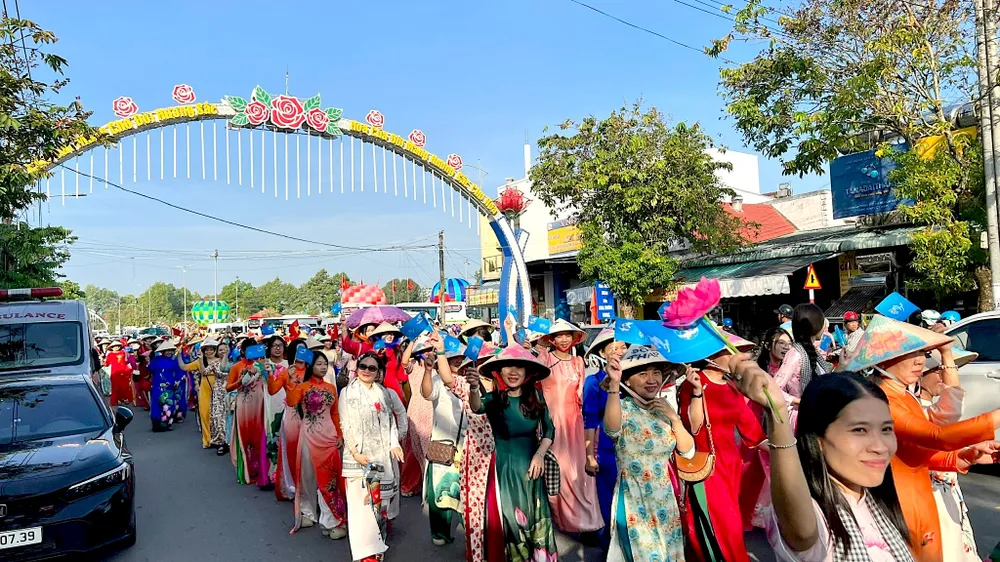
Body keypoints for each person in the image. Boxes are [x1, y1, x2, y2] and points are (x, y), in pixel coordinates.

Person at [727, 358, 916, 561]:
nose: (880, 447)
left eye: (886, 429)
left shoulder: (877, 502)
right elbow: (801, 531)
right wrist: (777, 413)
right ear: (818, 440)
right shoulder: (815, 516)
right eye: (859, 430)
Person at [845, 315, 1000, 561]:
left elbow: (917, 452)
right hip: (900, 502)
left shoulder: (905, 397)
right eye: (910, 354)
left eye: (922, 353)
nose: (920, 361)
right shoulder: (883, 401)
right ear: (884, 361)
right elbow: (936, 436)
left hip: (918, 497)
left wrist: (963, 456)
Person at [602, 346, 694, 561]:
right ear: (628, 380)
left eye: (656, 373)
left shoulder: (665, 410)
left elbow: (688, 451)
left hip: (666, 500)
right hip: (635, 500)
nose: (651, 379)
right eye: (642, 374)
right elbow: (611, 429)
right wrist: (614, 385)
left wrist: (674, 418)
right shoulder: (622, 407)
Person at [678, 348, 766, 562]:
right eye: (734, 352)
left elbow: (754, 433)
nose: (741, 357)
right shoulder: (693, 384)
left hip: (730, 466)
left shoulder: (733, 388)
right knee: (717, 524)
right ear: (714, 355)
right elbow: (692, 427)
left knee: (731, 523)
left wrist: (789, 448)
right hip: (706, 465)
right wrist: (698, 392)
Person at [472, 344, 558, 562]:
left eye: (519, 367)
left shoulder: (536, 396)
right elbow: (476, 407)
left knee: (535, 516)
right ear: (498, 372)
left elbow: (549, 429)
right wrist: (474, 388)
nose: (513, 372)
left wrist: (539, 454)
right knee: (511, 518)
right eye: (508, 366)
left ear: (528, 372)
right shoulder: (493, 399)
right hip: (504, 469)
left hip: (532, 470)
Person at [535, 318, 604, 535]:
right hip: (551, 422)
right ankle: (561, 518)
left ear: (574, 339)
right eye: (559, 335)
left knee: (580, 470)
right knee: (559, 470)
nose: (564, 339)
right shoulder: (544, 359)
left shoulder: (578, 363)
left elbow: (583, 395)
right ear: (552, 339)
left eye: (568, 335)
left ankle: (586, 521)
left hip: (575, 422)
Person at [339, 352, 406, 562]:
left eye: (372, 368)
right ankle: (363, 554)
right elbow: (345, 424)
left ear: (378, 373)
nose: (366, 371)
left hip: (380, 458)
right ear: (357, 368)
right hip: (358, 459)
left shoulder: (384, 394)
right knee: (360, 508)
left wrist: (395, 443)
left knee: (378, 505)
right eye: (363, 366)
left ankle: (377, 551)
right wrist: (356, 452)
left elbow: (391, 422)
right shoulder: (347, 393)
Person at [918, 348, 983, 561]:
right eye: (939, 369)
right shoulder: (915, 410)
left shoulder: (928, 408)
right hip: (930, 497)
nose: (944, 376)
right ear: (920, 371)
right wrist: (945, 352)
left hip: (949, 494)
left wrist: (972, 453)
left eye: (949, 370)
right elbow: (953, 405)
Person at [285, 351, 347, 539]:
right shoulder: (302, 386)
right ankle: (308, 512)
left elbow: (335, 413)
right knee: (307, 476)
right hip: (309, 436)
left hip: (328, 436)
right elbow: (291, 401)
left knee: (329, 478)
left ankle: (332, 520)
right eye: (319, 363)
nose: (323, 367)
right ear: (312, 366)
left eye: (325, 364)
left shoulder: (331, 388)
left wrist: (340, 434)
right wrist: (292, 380)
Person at [580, 325, 628, 551]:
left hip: (632, 448)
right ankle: (611, 549)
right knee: (609, 502)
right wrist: (589, 456)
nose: (620, 351)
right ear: (602, 353)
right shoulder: (593, 383)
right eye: (614, 348)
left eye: (623, 346)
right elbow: (589, 419)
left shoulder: (635, 380)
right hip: (605, 450)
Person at [421, 332, 470, 546]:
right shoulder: (438, 381)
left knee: (464, 488)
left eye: (461, 359)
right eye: (454, 359)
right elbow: (426, 393)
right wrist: (428, 371)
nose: (458, 362)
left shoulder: (471, 382)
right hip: (443, 443)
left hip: (467, 444)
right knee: (439, 489)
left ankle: (470, 527)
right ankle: (439, 531)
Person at [226, 338, 269, 488]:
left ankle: (261, 470)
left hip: (260, 404)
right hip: (244, 405)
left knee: (259, 435)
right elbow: (228, 387)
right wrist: (240, 381)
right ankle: (245, 471)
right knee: (244, 437)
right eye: (249, 349)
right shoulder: (237, 366)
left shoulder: (263, 365)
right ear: (243, 351)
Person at [179, 337, 229, 453]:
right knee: (205, 413)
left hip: (219, 390)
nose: (209, 352)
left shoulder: (220, 360)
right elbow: (184, 367)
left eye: (211, 349)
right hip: (205, 389)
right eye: (206, 349)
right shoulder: (200, 362)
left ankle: (221, 439)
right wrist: (179, 355)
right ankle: (207, 440)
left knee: (219, 416)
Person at [399, 336, 435, 498]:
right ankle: (409, 485)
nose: (428, 354)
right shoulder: (413, 368)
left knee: (429, 449)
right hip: (416, 410)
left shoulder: (437, 370)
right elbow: (404, 362)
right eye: (425, 352)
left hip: (432, 410)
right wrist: (412, 341)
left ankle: (429, 486)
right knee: (413, 450)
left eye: (430, 351)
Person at [265, 335, 293, 501]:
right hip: (270, 403)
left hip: (287, 404)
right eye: (274, 346)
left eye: (280, 345)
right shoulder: (264, 364)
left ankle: (285, 477)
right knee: (272, 438)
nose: (277, 348)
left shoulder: (290, 365)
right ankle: (273, 474)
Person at [149, 340, 184, 432]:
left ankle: (167, 424)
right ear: (163, 351)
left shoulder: (174, 360)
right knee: (157, 404)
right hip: (158, 385)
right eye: (167, 350)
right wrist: (152, 359)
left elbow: (180, 371)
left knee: (168, 404)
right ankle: (156, 424)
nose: (169, 352)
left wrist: (177, 381)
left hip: (170, 385)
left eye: (170, 350)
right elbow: (150, 369)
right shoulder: (156, 359)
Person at [105, 341, 134, 407]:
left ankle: (125, 398)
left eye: (118, 346)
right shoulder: (110, 355)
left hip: (124, 371)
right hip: (115, 373)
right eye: (114, 346)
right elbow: (107, 364)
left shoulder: (123, 353)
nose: (116, 347)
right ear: (111, 348)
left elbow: (127, 361)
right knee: (115, 387)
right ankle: (116, 400)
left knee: (125, 386)